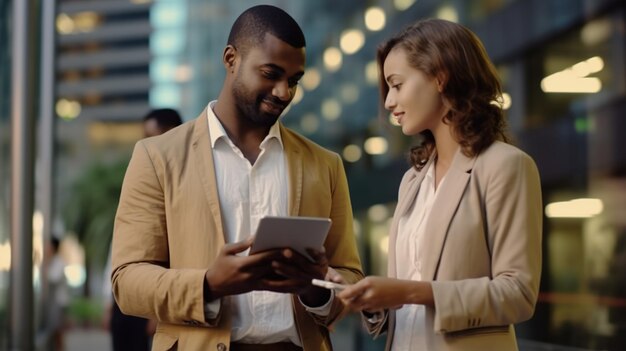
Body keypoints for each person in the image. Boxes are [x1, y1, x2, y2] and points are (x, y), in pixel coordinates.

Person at [111, 5, 363, 351]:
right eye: (271, 73)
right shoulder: (157, 157)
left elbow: (349, 276)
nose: (283, 92)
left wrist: (313, 288)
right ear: (231, 59)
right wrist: (208, 284)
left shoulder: (325, 164)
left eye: (293, 81)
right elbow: (127, 281)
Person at [334, 19, 543, 350]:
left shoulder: (506, 166)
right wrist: (370, 298)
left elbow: (518, 294)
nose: (388, 102)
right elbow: (407, 308)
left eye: (397, 85)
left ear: (440, 76)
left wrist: (410, 291)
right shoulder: (412, 181)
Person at [103, 108, 183, 351]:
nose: (144, 142)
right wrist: (110, 300)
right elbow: (123, 242)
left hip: (155, 300)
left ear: (172, 133)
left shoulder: (183, 178)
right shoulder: (141, 172)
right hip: (125, 295)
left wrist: (158, 313)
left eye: (151, 134)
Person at [46, 236, 69, 351]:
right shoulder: (55, 261)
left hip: (59, 302)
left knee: (58, 330)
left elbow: (53, 278)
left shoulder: (58, 262)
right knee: (56, 330)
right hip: (56, 302)